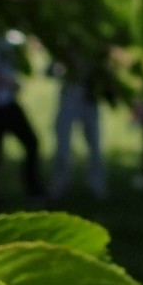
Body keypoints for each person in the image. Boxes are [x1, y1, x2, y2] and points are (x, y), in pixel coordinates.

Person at [0, 33, 42, 206]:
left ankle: (31, 188)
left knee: (29, 143)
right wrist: (7, 82)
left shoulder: (8, 39)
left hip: (9, 102)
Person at [48, 56, 108, 201]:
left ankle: (96, 184)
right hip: (68, 101)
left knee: (95, 145)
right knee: (63, 146)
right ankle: (60, 184)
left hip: (89, 102)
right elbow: (49, 71)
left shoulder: (94, 52)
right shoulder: (63, 51)